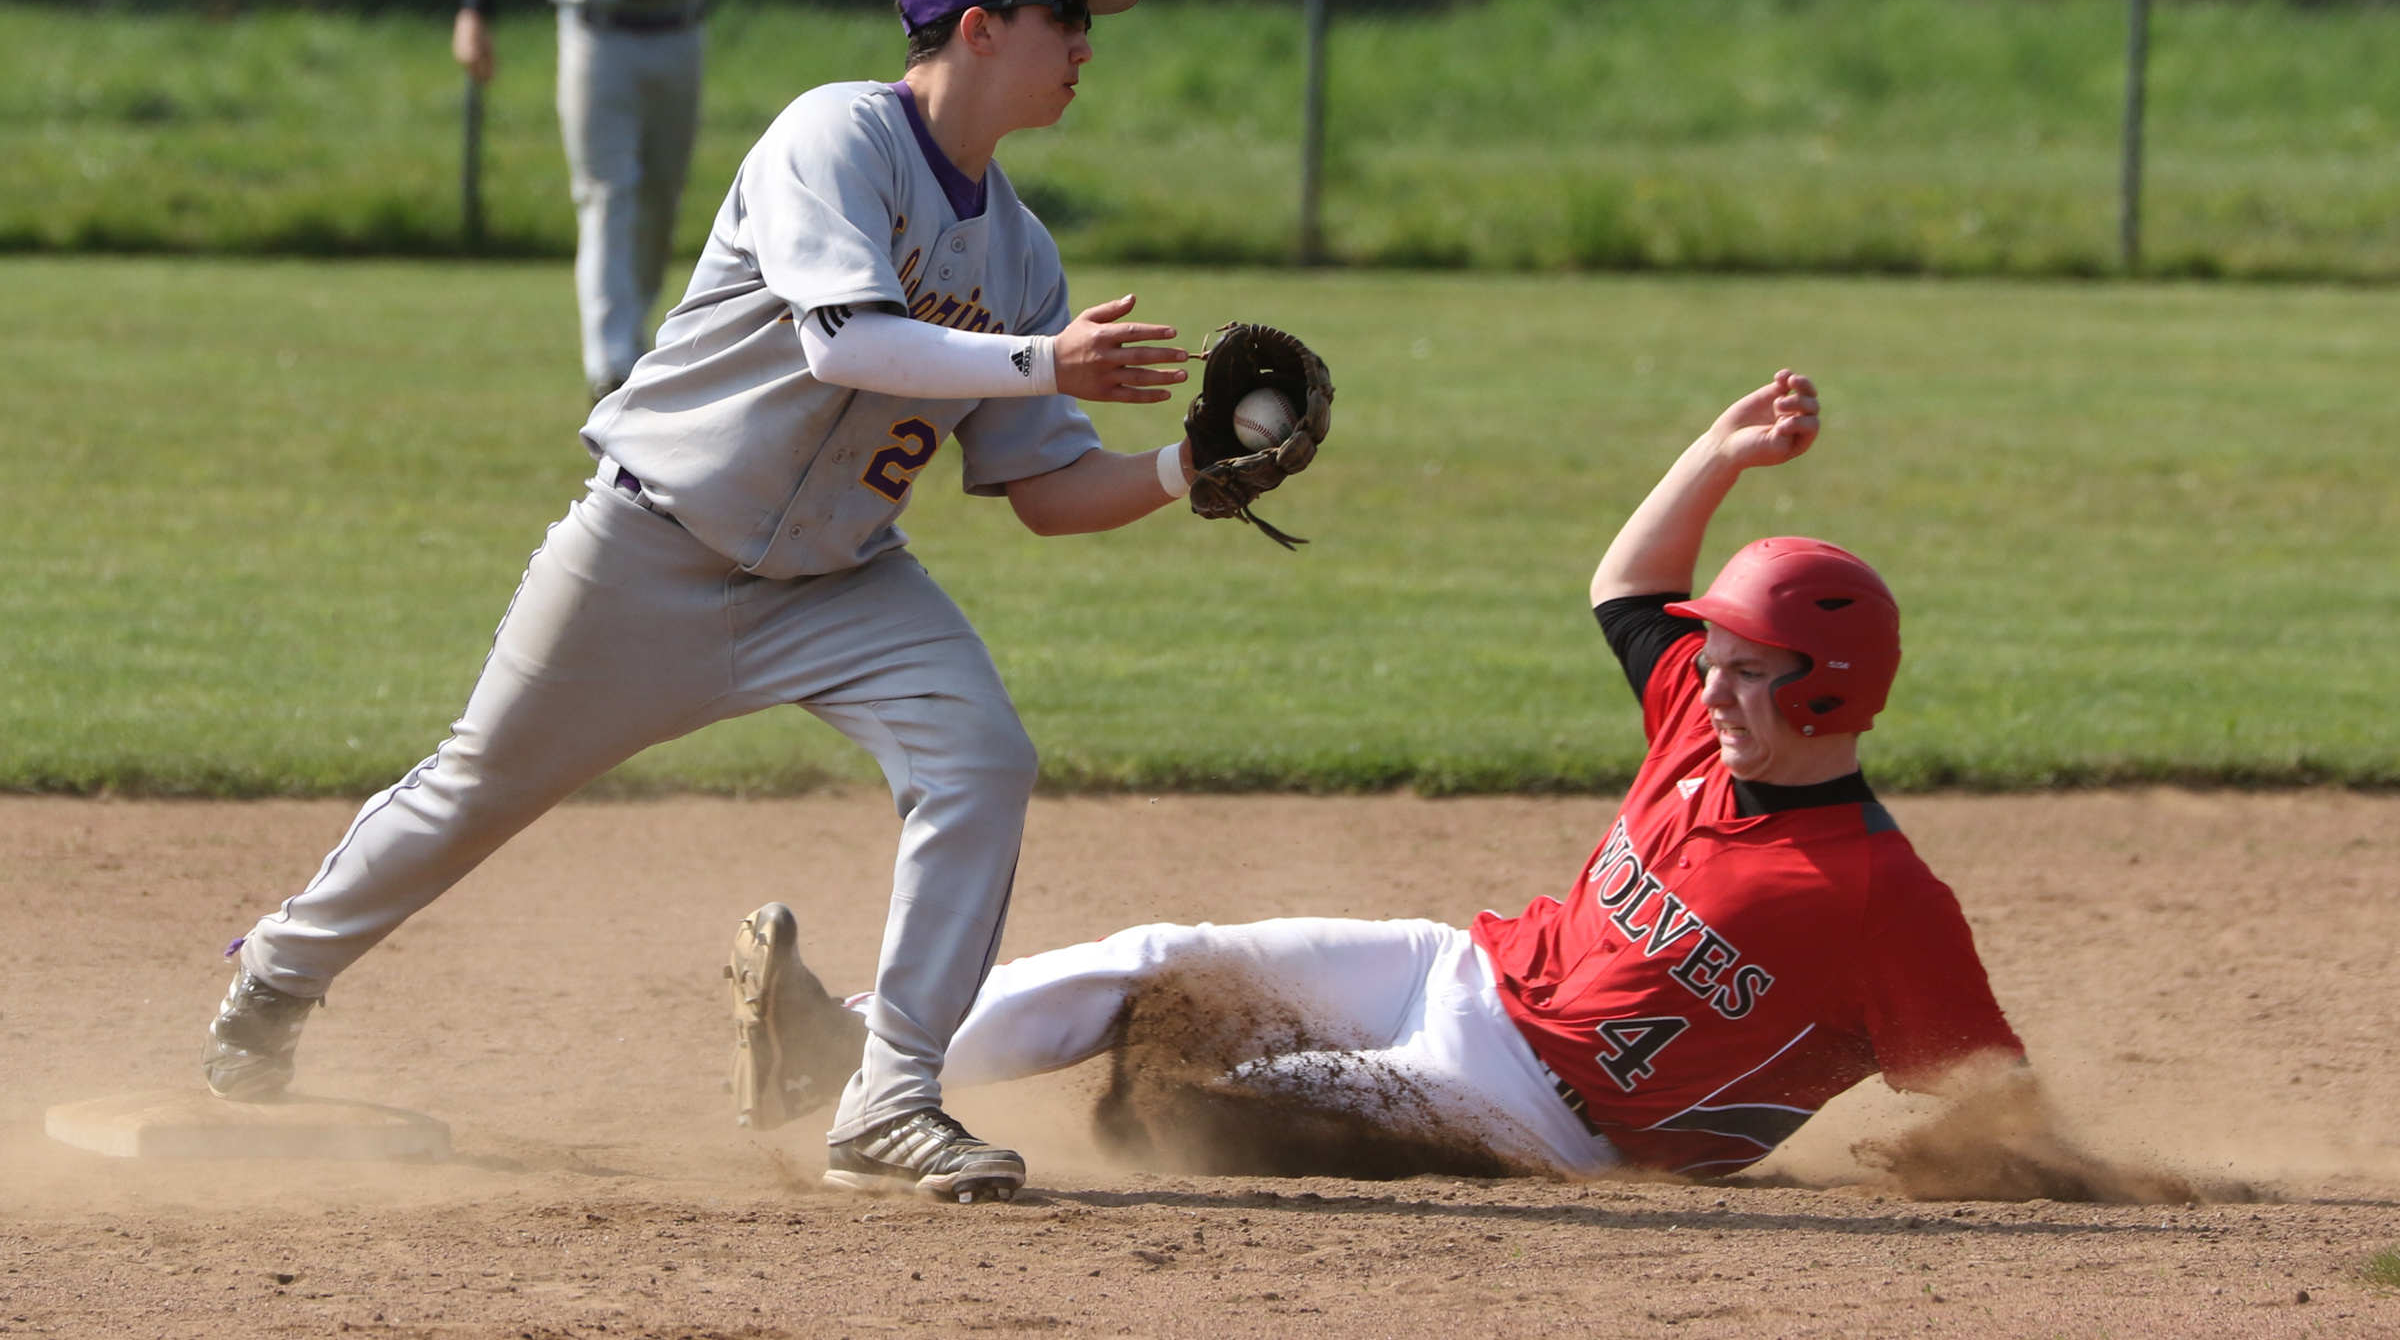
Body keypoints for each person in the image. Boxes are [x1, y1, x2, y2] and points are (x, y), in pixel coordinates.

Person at [208, 0, 1234, 1208]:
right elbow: (845, 339)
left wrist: (1184, 469)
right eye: (1066, 14)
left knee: (981, 758)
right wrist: (1046, 360)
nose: (1087, 43)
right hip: (650, 552)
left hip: (843, 582)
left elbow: (1044, 490)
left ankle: (889, 1101)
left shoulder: (1022, 255)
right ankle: (277, 976)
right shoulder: (838, 136)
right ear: (979, 29)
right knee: (477, 786)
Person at [731, 369, 2040, 1185]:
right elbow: (1627, 586)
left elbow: (1997, 1099)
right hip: (1458, 967)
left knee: (1208, 1102)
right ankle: (851, 1050)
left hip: (1545, 1118)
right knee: (1161, 961)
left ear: (1827, 688)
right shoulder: (1701, 728)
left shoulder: (1882, 897)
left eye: (1748, 668)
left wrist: (1960, 1163)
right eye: (1713, 659)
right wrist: (1717, 452)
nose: (1709, 683)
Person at [454, 0, 767, 400]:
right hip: (593, 34)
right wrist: (474, 13)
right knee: (605, 192)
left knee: (660, 196)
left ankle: (632, 332)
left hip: (677, 32)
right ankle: (611, 362)